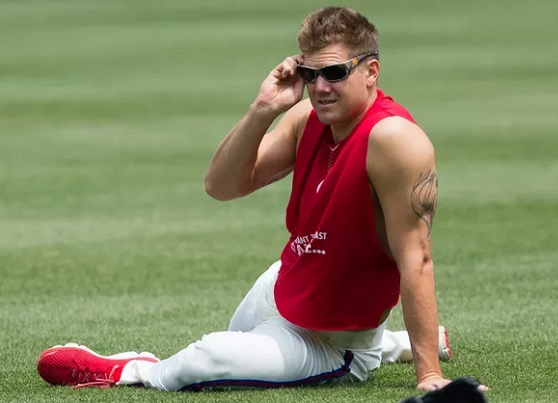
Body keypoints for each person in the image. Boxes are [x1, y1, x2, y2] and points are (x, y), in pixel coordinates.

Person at [37, 7, 458, 392]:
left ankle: (134, 370)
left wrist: (430, 377)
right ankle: (394, 343)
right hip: (281, 287)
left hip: (331, 341)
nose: (320, 87)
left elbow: (415, 258)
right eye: (310, 74)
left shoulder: (394, 140)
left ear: (371, 71)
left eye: (334, 72)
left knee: (211, 357)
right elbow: (221, 186)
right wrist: (263, 108)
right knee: (244, 344)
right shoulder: (306, 119)